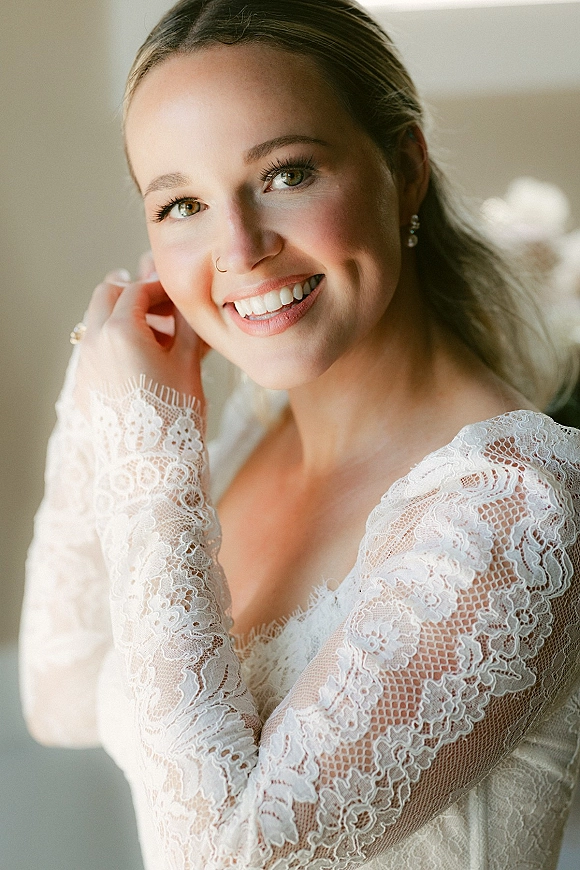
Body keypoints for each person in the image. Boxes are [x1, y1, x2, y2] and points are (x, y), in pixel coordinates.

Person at [19, 0, 580, 867]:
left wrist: (149, 449)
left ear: (405, 165)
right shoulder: (245, 433)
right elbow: (57, 696)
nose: (238, 248)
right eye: (182, 206)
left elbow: (224, 854)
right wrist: (97, 390)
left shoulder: (519, 508)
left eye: (285, 174)